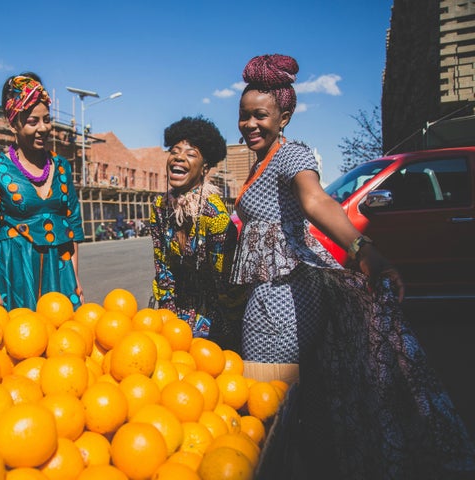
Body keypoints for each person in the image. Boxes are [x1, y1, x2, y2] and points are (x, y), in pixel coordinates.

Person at [231, 54, 474, 478]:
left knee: (267, 402)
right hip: (280, 293)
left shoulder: (291, 157)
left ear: (284, 117)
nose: (250, 124)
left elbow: (317, 201)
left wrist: (366, 252)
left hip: (279, 299)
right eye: (244, 116)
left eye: (261, 116)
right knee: (299, 401)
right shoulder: (262, 160)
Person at [0, 73, 84, 312]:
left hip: (59, 271)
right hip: (14, 272)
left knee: (64, 343)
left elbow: (73, 223)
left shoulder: (62, 167)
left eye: (47, 119)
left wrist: (74, 279)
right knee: (19, 341)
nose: (43, 128)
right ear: (13, 123)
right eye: (33, 121)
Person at [149, 116, 242, 343]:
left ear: (205, 168)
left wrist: (226, 336)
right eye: (175, 151)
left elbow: (226, 283)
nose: (179, 157)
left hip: (215, 318)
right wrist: (168, 317)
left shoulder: (214, 215)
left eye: (191, 154)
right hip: (175, 313)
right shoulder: (160, 208)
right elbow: (162, 267)